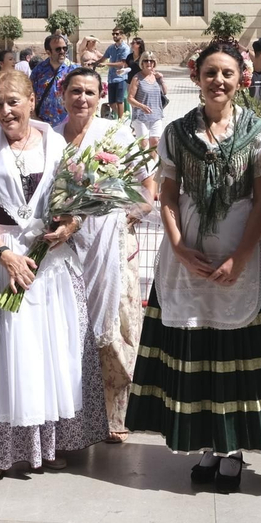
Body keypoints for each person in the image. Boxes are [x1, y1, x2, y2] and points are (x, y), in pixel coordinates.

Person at [126, 42, 261, 494]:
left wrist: (241, 255)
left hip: (241, 252)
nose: (218, 81)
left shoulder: (258, 134)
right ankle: (204, 442)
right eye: (210, 73)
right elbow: (167, 192)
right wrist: (179, 246)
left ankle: (233, 450)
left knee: (236, 352)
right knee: (194, 349)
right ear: (196, 77)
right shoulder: (176, 132)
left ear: (241, 77)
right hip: (187, 256)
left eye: (227, 73)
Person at [0, 71, 105, 478]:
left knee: (48, 353)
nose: (6, 111)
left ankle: (48, 444)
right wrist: (4, 255)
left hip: (50, 265)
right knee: (2, 356)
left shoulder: (57, 146)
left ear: (31, 103)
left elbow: (75, 202)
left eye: (13, 102)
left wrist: (69, 226)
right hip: (4, 265)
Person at [56, 67, 153, 442]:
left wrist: (134, 211)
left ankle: (114, 414)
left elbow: (147, 184)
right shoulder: (49, 137)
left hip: (111, 244)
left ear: (100, 97)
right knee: (68, 329)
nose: (82, 98)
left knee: (116, 328)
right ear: (63, 95)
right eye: (75, 91)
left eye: (90, 92)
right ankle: (72, 413)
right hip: (65, 248)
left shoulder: (117, 133)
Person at [30, 34, 76, 125]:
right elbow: (30, 91)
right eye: (58, 49)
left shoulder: (74, 70)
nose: (62, 51)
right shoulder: (39, 70)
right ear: (48, 52)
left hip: (67, 123)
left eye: (65, 48)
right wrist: (33, 115)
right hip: (43, 123)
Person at [126, 51, 166, 148]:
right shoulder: (137, 78)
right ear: (142, 63)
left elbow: (164, 92)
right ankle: (143, 162)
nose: (149, 63)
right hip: (141, 116)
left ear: (154, 63)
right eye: (146, 61)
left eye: (151, 61)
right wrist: (142, 106)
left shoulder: (156, 77)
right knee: (143, 143)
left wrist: (161, 80)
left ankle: (153, 163)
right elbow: (130, 98)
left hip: (156, 114)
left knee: (155, 142)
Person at [102, 29, 132, 119]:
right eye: (113, 34)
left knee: (119, 101)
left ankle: (120, 121)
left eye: (117, 34)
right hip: (111, 78)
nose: (114, 35)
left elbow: (121, 64)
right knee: (111, 103)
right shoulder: (111, 48)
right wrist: (95, 63)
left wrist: (106, 64)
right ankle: (122, 117)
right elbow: (103, 58)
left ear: (122, 35)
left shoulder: (125, 48)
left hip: (121, 78)